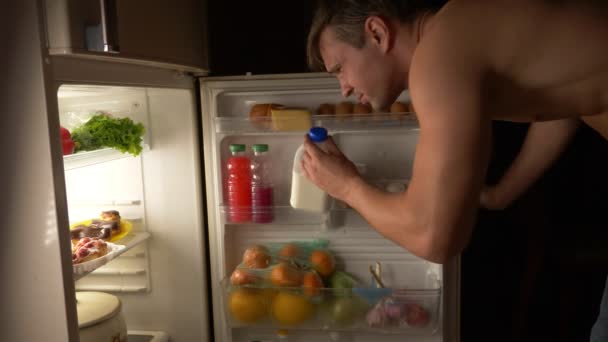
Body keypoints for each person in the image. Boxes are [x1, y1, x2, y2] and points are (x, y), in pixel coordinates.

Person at [303, 0, 608, 340]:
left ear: (377, 32)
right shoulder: (460, 33)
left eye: (339, 68)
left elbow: (432, 237)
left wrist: (347, 187)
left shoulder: (437, 58)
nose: (342, 87)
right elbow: (561, 105)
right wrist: (501, 193)